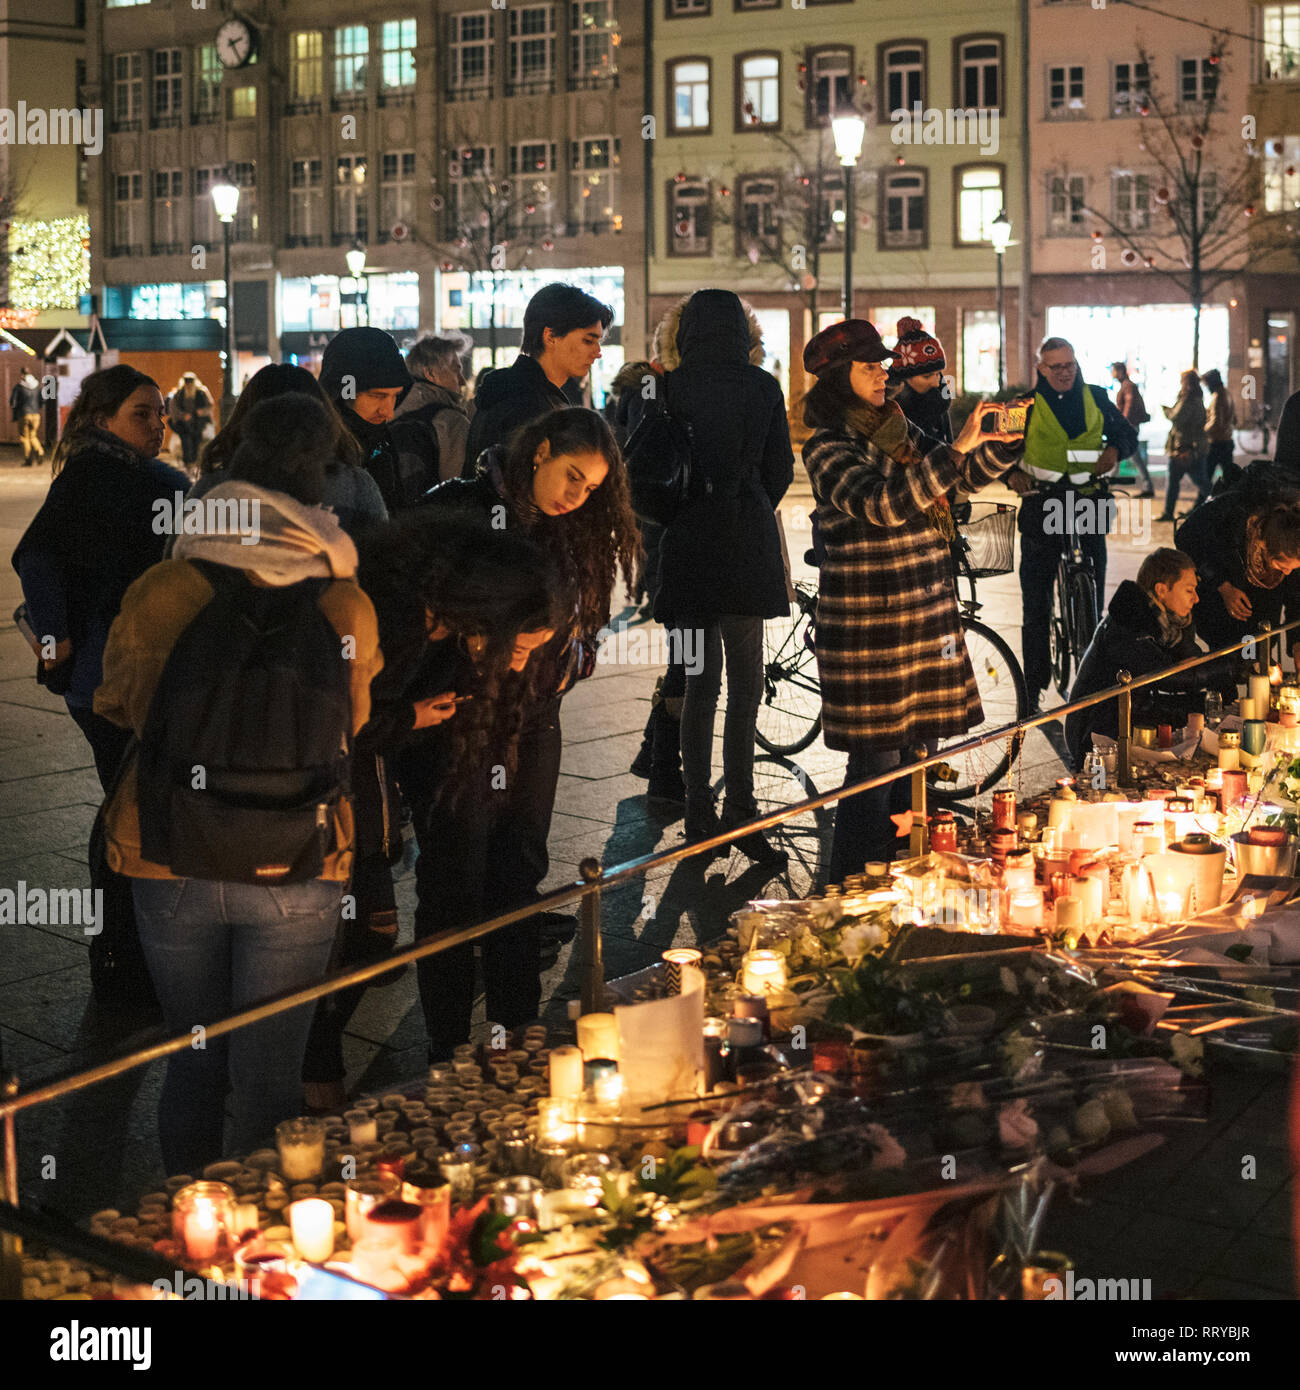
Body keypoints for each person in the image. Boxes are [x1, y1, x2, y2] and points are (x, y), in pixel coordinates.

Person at [93, 394, 382, 1169]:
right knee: (269, 1074)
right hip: (301, 852)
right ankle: (257, 1257)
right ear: (319, 477)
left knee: (193, 1055)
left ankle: (182, 1238)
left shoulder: (169, 587)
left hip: (169, 847)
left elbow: (117, 703)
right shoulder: (345, 600)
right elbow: (350, 725)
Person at [302, 510, 561, 1110]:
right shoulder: (393, 615)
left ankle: (339, 1066)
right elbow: (339, 723)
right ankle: (312, 1076)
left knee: (380, 920)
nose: (520, 665)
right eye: (518, 648)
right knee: (361, 926)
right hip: (329, 779)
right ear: (489, 617)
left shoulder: (451, 620)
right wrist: (409, 719)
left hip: (378, 758)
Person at [416, 407, 640, 1058]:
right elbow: (412, 612)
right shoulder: (459, 507)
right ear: (538, 451)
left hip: (535, 719)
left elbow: (588, 622)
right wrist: (482, 640)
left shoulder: (574, 530)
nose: (577, 496)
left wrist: (563, 648)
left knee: (518, 874)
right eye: (571, 476)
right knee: (451, 885)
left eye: (592, 489)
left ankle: (514, 1033)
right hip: (456, 721)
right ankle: (447, 1047)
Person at [801, 319, 1021, 883]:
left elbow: (957, 476)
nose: (883, 374)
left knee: (918, 760)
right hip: (870, 629)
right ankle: (850, 883)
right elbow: (884, 504)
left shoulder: (895, 428)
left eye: (882, 365)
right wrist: (956, 454)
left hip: (921, 620)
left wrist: (1000, 447)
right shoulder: (829, 446)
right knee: (875, 766)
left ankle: (902, 875)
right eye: (869, 367)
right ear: (836, 378)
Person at [650, 290, 794, 862]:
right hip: (744, 550)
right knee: (745, 688)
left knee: (696, 688)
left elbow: (649, 469)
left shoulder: (667, 388)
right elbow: (781, 468)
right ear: (740, 330)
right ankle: (742, 812)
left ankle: (696, 816)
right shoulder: (762, 386)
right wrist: (749, 503)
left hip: (686, 552)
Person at [12, 365, 190, 790]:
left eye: (160, 414)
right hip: (113, 674)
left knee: (132, 797)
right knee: (139, 801)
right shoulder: (98, 477)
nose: (157, 425)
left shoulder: (122, 476)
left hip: (112, 676)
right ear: (102, 420)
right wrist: (56, 642)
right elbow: (35, 556)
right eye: (141, 414)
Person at [1003, 337, 1138, 715]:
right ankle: (1032, 690)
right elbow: (998, 449)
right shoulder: (1022, 406)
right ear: (1041, 369)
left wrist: (1114, 450)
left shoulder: (1096, 397)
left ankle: (1092, 681)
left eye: (1069, 365)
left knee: (1093, 599)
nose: (1064, 373)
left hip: (1088, 504)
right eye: (1055, 367)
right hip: (1041, 505)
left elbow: (1127, 435)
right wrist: (1011, 474)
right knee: (1037, 606)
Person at [1065, 548, 1238, 768]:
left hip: (1136, 711)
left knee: (1210, 718)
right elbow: (1168, 676)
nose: (1196, 599)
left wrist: (1212, 685)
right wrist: (1230, 666)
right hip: (1096, 732)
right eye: (1189, 590)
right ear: (1162, 590)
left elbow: (1190, 665)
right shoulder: (1128, 622)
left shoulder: (1172, 624)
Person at [190, 363, 387, 539]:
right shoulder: (355, 485)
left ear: (247, 418)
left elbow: (180, 554)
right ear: (323, 416)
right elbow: (380, 562)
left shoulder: (214, 488)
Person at [461, 283, 612, 477]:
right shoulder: (529, 408)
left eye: (598, 342)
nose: (597, 353)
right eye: (588, 341)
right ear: (550, 336)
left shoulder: (512, 393)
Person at [318, 326, 438, 513]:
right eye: (378, 396)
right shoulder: (311, 452)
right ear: (342, 392)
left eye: (395, 396)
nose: (388, 412)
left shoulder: (382, 440)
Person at [1176, 497, 1300, 671]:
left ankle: (1253, 671)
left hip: (1261, 622)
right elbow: (1186, 537)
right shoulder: (1235, 524)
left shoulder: (1293, 550)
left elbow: (1296, 598)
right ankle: (1225, 688)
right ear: (1265, 548)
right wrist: (1222, 585)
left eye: (1292, 569)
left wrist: (1297, 641)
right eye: (1281, 566)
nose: (1287, 572)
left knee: (1255, 662)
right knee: (1226, 663)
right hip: (1220, 612)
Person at [394, 334, 473, 482]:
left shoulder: (393, 413)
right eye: (456, 370)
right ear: (430, 373)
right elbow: (457, 488)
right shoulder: (450, 422)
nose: (462, 381)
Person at [889, 318, 952, 445]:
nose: (936, 383)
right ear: (904, 378)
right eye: (927, 376)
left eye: (938, 374)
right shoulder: (889, 418)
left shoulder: (939, 403)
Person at [1159, 369, 1208, 521]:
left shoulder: (1188, 399)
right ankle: (1220, 501)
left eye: (1182, 381)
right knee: (1200, 480)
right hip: (1193, 446)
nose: (1180, 384)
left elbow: (1177, 417)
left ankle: (1168, 512)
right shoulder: (1198, 397)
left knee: (1177, 480)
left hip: (1183, 446)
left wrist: (1167, 411)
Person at [1110, 361, 1153, 497]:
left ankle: (1148, 487)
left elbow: (1129, 405)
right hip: (1129, 426)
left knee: (1128, 455)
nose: (1113, 374)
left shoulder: (1128, 386)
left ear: (1120, 372)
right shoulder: (1126, 386)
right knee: (1127, 456)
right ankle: (1107, 484)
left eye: (1114, 371)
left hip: (1128, 427)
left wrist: (1124, 424)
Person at [166, 371, 213, 469]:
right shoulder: (179, 393)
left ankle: (193, 461)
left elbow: (209, 406)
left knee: (197, 436)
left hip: (198, 420)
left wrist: (201, 412)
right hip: (183, 422)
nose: (189, 384)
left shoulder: (201, 392)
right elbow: (174, 409)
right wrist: (184, 416)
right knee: (185, 436)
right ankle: (188, 462)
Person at [1202, 369, 1238, 491]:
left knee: (1205, 478)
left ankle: (1200, 507)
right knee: (1229, 478)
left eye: (1206, 384)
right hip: (1227, 441)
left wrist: (1203, 431)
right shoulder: (1227, 393)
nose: (1206, 387)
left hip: (1217, 442)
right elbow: (1234, 419)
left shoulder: (1217, 396)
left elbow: (1217, 422)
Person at [10, 369, 44, 466]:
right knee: (33, 436)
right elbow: (42, 399)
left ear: (22, 375)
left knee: (24, 437)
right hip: (36, 415)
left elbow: (13, 402)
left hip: (24, 414)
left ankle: (28, 459)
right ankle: (40, 451)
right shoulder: (37, 386)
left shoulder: (19, 387)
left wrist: (15, 413)